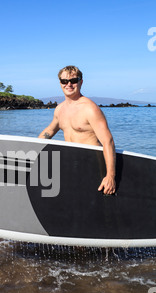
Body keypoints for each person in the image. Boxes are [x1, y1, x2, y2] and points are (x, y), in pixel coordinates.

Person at [39, 65, 116, 195]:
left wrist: (110, 176)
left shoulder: (90, 109)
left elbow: (108, 141)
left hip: (92, 165)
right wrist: (32, 151)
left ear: (81, 82)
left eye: (73, 81)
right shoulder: (60, 109)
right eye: (64, 81)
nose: (68, 84)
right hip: (72, 165)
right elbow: (49, 131)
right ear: (60, 83)